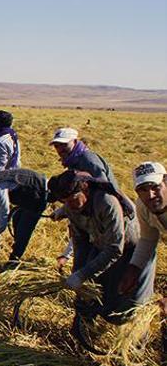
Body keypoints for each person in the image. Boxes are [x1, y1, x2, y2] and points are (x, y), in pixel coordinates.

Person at [47, 169, 153, 324]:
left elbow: (116, 248)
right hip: (103, 245)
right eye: (65, 202)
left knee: (131, 302)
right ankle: (83, 330)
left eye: (73, 199)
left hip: (133, 250)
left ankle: (132, 340)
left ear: (85, 190)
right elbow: (80, 242)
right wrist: (77, 272)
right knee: (87, 295)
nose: (69, 205)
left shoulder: (106, 203)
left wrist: (83, 274)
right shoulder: (72, 206)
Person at [50, 128, 119, 269]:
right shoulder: (72, 161)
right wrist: (63, 210)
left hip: (101, 217)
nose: (60, 149)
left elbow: (104, 189)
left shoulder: (87, 160)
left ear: (75, 142)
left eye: (64, 144)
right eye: (57, 145)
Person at [120, 162, 167, 315]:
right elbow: (148, 239)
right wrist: (133, 269)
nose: (150, 195)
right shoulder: (143, 206)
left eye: (155, 187)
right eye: (143, 190)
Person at [0, 110, 21, 175]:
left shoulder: (0, 142)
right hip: (16, 174)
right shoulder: (13, 136)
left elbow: (0, 165)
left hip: (4, 179)